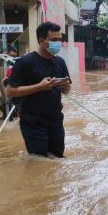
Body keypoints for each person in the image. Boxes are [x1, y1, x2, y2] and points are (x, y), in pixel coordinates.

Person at [6, 22, 71, 157]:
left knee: (57, 158)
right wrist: (39, 87)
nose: (58, 43)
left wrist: (65, 87)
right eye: (54, 40)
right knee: (39, 160)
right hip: (33, 122)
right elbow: (10, 91)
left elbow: (66, 91)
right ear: (41, 40)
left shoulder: (60, 62)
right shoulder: (25, 62)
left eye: (60, 39)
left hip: (56, 120)